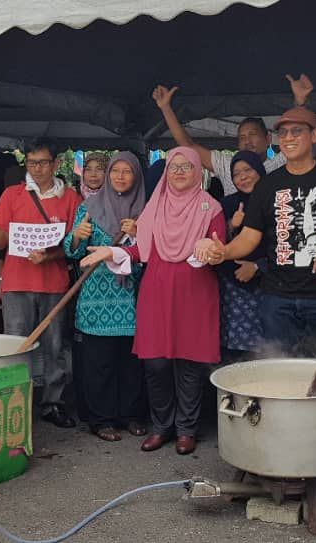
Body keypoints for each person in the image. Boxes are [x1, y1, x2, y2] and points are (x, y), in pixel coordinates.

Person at [82, 147, 223, 455]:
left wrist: (210, 246)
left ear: (198, 171)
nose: (180, 172)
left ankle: (186, 429)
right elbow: (139, 250)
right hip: (157, 291)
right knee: (156, 363)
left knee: (189, 363)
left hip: (195, 293)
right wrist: (111, 252)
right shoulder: (154, 207)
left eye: (187, 167)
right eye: (175, 167)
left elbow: (219, 247)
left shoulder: (210, 208)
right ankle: (161, 426)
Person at [202, 106, 316, 357]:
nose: (288, 138)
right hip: (277, 298)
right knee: (279, 373)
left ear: (314, 135)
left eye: (296, 131)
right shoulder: (268, 185)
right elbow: (249, 237)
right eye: (283, 133)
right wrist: (223, 252)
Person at [0, 140, 82, 428]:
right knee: (17, 345)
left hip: (54, 283)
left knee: (55, 346)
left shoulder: (71, 199)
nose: (37, 169)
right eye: (32, 163)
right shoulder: (12, 195)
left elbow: (75, 244)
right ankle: (14, 401)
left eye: (43, 162)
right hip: (17, 282)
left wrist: (50, 255)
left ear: (55, 163)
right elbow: (0, 242)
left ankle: (53, 403)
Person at [64, 152, 147, 442]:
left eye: (127, 172)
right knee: (98, 363)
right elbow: (71, 252)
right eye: (116, 171)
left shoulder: (146, 211)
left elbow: (154, 254)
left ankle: (132, 415)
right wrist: (77, 234)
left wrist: (139, 233)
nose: (120, 177)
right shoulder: (89, 207)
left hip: (132, 297)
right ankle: (101, 419)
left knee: (131, 362)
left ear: (137, 176)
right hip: (96, 299)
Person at [151, 74, 313, 196]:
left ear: (268, 139)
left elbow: (300, 137)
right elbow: (188, 146)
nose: (247, 141)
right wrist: (166, 108)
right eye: (242, 138)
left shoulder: (280, 163)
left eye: (252, 135)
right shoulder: (226, 165)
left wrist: (300, 103)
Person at [216, 151, 268, 360]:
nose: (243, 177)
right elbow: (215, 242)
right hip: (232, 290)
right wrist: (231, 225)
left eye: (248, 170)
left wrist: (257, 267)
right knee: (232, 352)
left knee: (266, 350)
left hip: (270, 286)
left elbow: (284, 245)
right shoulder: (227, 204)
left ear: (260, 171)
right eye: (237, 174)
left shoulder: (276, 201)